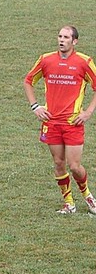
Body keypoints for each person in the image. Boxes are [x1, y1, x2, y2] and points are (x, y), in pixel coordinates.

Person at [24, 26, 96, 215]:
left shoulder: (84, 62)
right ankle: (69, 203)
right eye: (60, 36)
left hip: (73, 123)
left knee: (75, 166)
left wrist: (88, 112)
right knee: (58, 163)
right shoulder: (46, 60)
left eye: (66, 37)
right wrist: (35, 107)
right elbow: (28, 81)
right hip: (52, 123)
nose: (61, 40)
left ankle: (88, 196)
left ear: (75, 41)